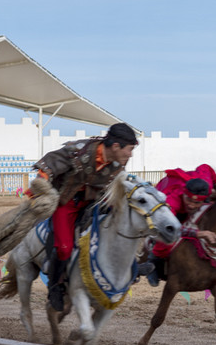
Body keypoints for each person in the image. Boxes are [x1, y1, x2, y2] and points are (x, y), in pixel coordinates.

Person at [32, 121, 139, 310]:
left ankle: (134, 266)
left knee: (124, 226)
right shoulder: (78, 151)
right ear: (116, 146)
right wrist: (42, 185)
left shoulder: (119, 162)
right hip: (66, 203)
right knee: (64, 248)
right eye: (129, 149)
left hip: (96, 204)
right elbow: (48, 165)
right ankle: (55, 287)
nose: (130, 154)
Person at [145, 164, 216, 284]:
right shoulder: (171, 201)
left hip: (189, 187)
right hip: (165, 190)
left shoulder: (207, 184)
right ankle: (154, 261)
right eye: (188, 200)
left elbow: (205, 167)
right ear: (184, 194)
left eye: (196, 202)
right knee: (167, 237)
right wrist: (198, 233)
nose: (191, 205)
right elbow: (169, 228)